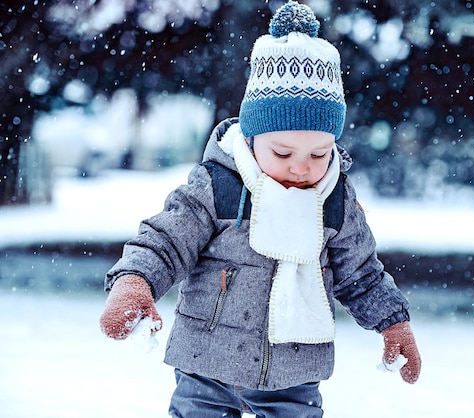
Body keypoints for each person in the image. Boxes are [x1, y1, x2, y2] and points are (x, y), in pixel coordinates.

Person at [99, 1, 421, 417]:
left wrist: (393, 322)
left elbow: (361, 274)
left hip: (293, 371)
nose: (301, 168)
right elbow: (166, 241)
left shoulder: (335, 200)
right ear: (251, 138)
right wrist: (135, 281)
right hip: (206, 364)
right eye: (283, 152)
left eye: (319, 153)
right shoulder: (220, 185)